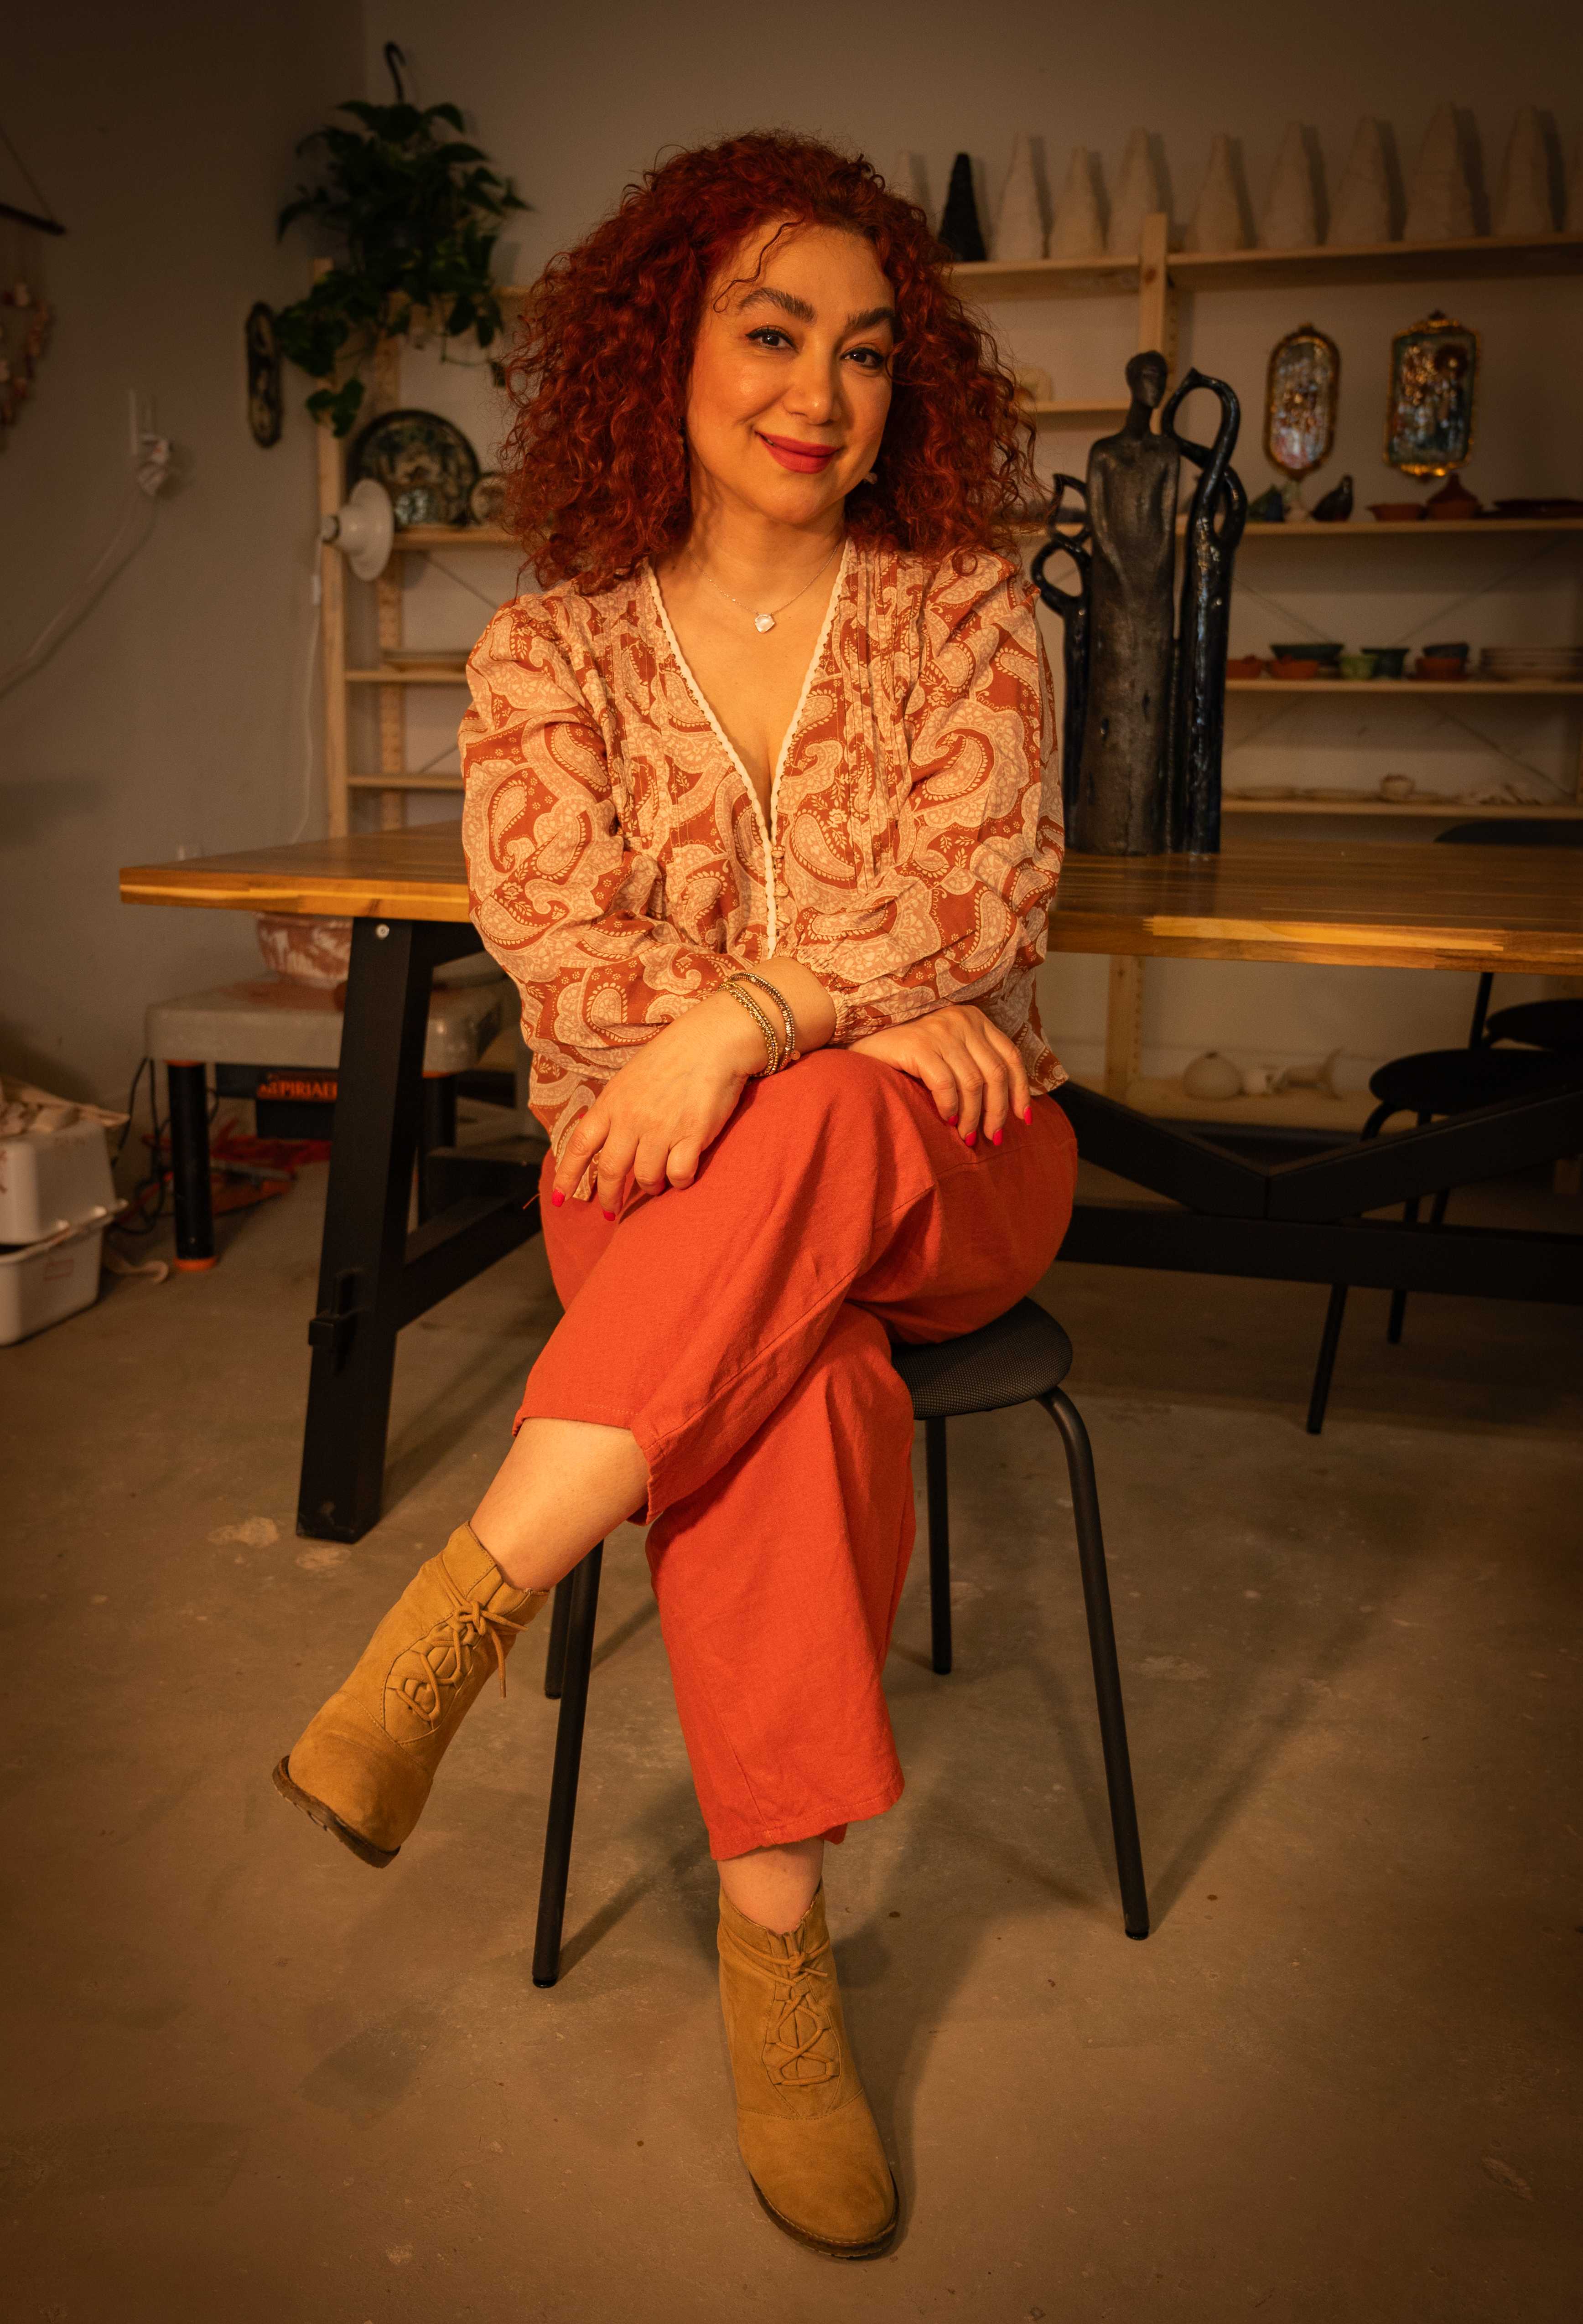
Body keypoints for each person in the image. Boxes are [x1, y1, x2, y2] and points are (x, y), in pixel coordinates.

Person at [274, 130, 1076, 2261]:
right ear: (668, 351)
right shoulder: (545, 655)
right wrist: (857, 1003)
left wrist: (751, 1029)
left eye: (872, 352)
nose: (826, 387)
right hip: (670, 1203)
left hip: (956, 1170)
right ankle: (777, 1968)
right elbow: (562, 944)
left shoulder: (968, 612)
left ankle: (468, 1599)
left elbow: (986, 885)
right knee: (793, 1383)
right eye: (772, 329)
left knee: (809, 1131)